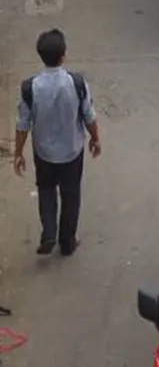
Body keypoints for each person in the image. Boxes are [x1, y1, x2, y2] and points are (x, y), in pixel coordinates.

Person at [14, 29, 101, 256]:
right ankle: (67, 241)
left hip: (43, 153)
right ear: (63, 56)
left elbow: (23, 124)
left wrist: (18, 153)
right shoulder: (77, 83)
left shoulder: (29, 88)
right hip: (72, 151)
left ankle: (49, 232)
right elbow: (89, 115)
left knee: (46, 190)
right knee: (71, 196)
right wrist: (95, 138)